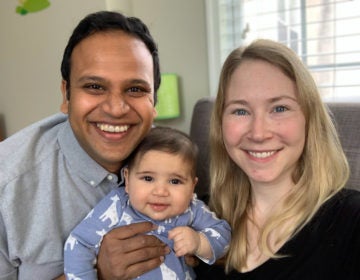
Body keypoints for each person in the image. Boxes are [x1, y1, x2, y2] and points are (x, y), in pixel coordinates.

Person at [0, 11, 170, 280]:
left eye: (136, 89)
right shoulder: (6, 185)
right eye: (94, 86)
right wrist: (96, 273)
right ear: (66, 96)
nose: (116, 109)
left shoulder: (175, 159)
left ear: (154, 102)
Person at [195, 39, 360, 279]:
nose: (259, 133)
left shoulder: (351, 221)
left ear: (309, 119)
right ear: (220, 124)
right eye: (240, 111)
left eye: (279, 108)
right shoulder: (196, 215)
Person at [63, 126, 231, 279]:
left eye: (175, 181)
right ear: (127, 180)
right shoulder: (118, 204)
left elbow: (223, 235)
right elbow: (79, 243)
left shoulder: (192, 209)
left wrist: (199, 242)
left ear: (192, 186)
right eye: (148, 178)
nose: (160, 192)